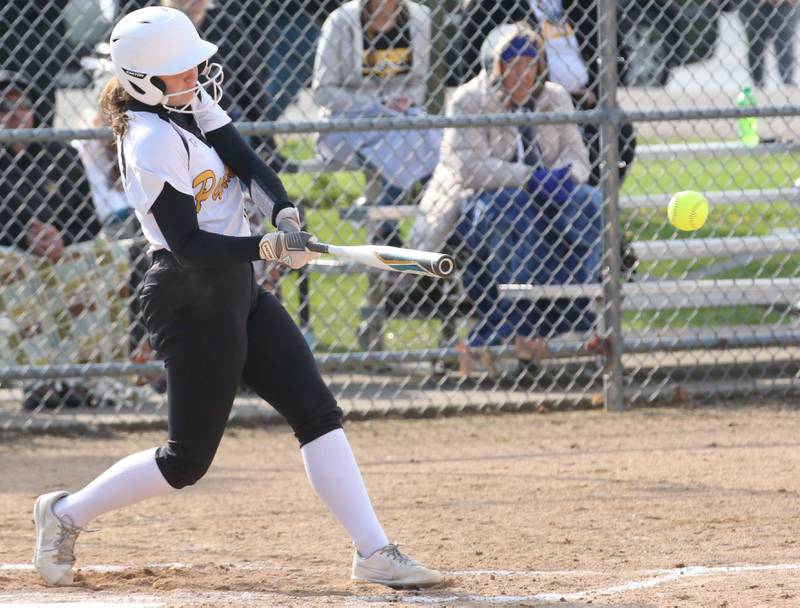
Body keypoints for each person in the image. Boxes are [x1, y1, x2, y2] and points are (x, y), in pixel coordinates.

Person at [31, 7, 442, 590]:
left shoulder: (191, 102)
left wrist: (283, 213)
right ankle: (65, 513)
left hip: (236, 286)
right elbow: (191, 245)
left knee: (317, 413)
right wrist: (267, 248)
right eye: (181, 68)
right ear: (145, 79)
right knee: (185, 461)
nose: (196, 72)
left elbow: (249, 163)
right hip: (187, 295)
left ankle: (374, 550)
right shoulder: (150, 140)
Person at [409, 23, 601, 379]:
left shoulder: (555, 96)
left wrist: (563, 176)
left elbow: (580, 159)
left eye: (530, 63)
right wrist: (529, 178)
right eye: (511, 64)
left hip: (544, 198)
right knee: (514, 206)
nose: (522, 74)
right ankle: (513, 325)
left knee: (591, 203)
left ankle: (570, 314)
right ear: (493, 67)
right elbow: (469, 170)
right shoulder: (468, 100)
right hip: (477, 204)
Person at [0, 70, 104, 408]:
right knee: (14, 267)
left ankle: (80, 380)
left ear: (35, 110)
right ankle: (37, 381)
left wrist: (59, 238)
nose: (15, 115)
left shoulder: (62, 156)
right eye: (4, 108)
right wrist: (24, 238)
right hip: (13, 256)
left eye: (23, 106)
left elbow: (89, 224)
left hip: (64, 253)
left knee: (98, 258)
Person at [454, 0, 637, 187]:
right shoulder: (491, 5)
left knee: (621, 131)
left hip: (584, 99)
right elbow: (472, 60)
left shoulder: (583, 3)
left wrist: (596, 91)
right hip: (526, 101)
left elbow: (614, 49)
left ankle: (594, 199)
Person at [312, 0, 442, 246]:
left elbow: (419, 84)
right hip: (349, 121)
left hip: (400, 119)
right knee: (407, 138)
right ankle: (393, 228)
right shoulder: (342, 21)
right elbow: (322, 91)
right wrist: (376, 102)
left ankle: (396, 228)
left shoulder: (419, 18)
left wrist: (403, 100)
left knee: (430, 135)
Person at [738, 0, 799, 87]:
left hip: (786, 4)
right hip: (753, 4)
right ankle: (758, 83)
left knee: (785, 42)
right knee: (755, 44)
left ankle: (788, 81)